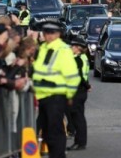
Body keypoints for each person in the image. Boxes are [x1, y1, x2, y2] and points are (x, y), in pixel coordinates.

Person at [32, 20, 81, 158]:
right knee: (47, 131)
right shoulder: (44, 48)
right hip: (43, 96)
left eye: (52, 33)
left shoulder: (63, 50)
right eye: (46, 32)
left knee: (55, 131)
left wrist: (70, 95)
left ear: (58, 34)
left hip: (56, 95)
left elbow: (72, 76)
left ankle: (58, 156)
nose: (49, 35)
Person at [66, 37, 91, 151]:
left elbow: (79, 76)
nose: (71, 48)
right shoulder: (84, 57)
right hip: (81, 90)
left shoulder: (78, 60)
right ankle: (80, 142)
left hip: (77, 90)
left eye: (73, 46)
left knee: (77, 118)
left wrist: (87, 86)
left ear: (78, 48)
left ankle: (80, 142)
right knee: (79, 117)